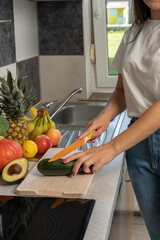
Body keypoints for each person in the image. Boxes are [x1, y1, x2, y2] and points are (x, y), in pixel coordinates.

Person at [63, 0, 160, 239]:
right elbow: (121, 91)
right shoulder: (133, 33)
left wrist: (112, 148)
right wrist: (104, 117)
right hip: (139, 145)